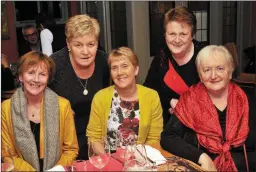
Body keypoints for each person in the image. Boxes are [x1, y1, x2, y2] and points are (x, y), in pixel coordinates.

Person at [161, 45, 256, 171]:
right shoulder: (189, 100)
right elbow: (168, 137)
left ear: (230, 72)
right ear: (200, 75)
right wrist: (201, 156)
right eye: (206, 70)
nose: (213, 75)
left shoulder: (248, 100)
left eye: (220, 68)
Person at [1, 51, 79, 171]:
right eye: (31, 73)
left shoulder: (63, 105)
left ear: (48, 79)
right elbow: (8, 154)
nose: (36, 79)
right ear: (21, 76)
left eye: (42, 74)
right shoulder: (6, 108)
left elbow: (71, 149)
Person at [49, 14, 110, 160]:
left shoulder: (103, 60)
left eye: (91, 44)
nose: (85, 51)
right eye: (78, 45)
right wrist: (54, 103)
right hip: (64, 138)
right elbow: (36, 93)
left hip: (96, 136)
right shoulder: (54, 64)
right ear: (68, 44)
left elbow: (108, 92)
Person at [86, 47, 163, 152]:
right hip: (108, 162)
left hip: (140, 161)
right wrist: (107, 162)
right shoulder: (100, 97)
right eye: (114, 68)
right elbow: (93, 137)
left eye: (124, 66)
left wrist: (136, 161)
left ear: (136, 70)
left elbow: (154, 139)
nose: (119, 72)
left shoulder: (151, 97)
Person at [144, 6, 206, 125]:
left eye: (183, 34)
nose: (177, 40)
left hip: (199, 125)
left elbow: (216, 95)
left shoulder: (204, 56)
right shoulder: (162, 56)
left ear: (192, 34)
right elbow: (149, 91)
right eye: (172, 34)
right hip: (168, 126)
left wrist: (183, 107)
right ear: (165, 34)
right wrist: (170, 101)